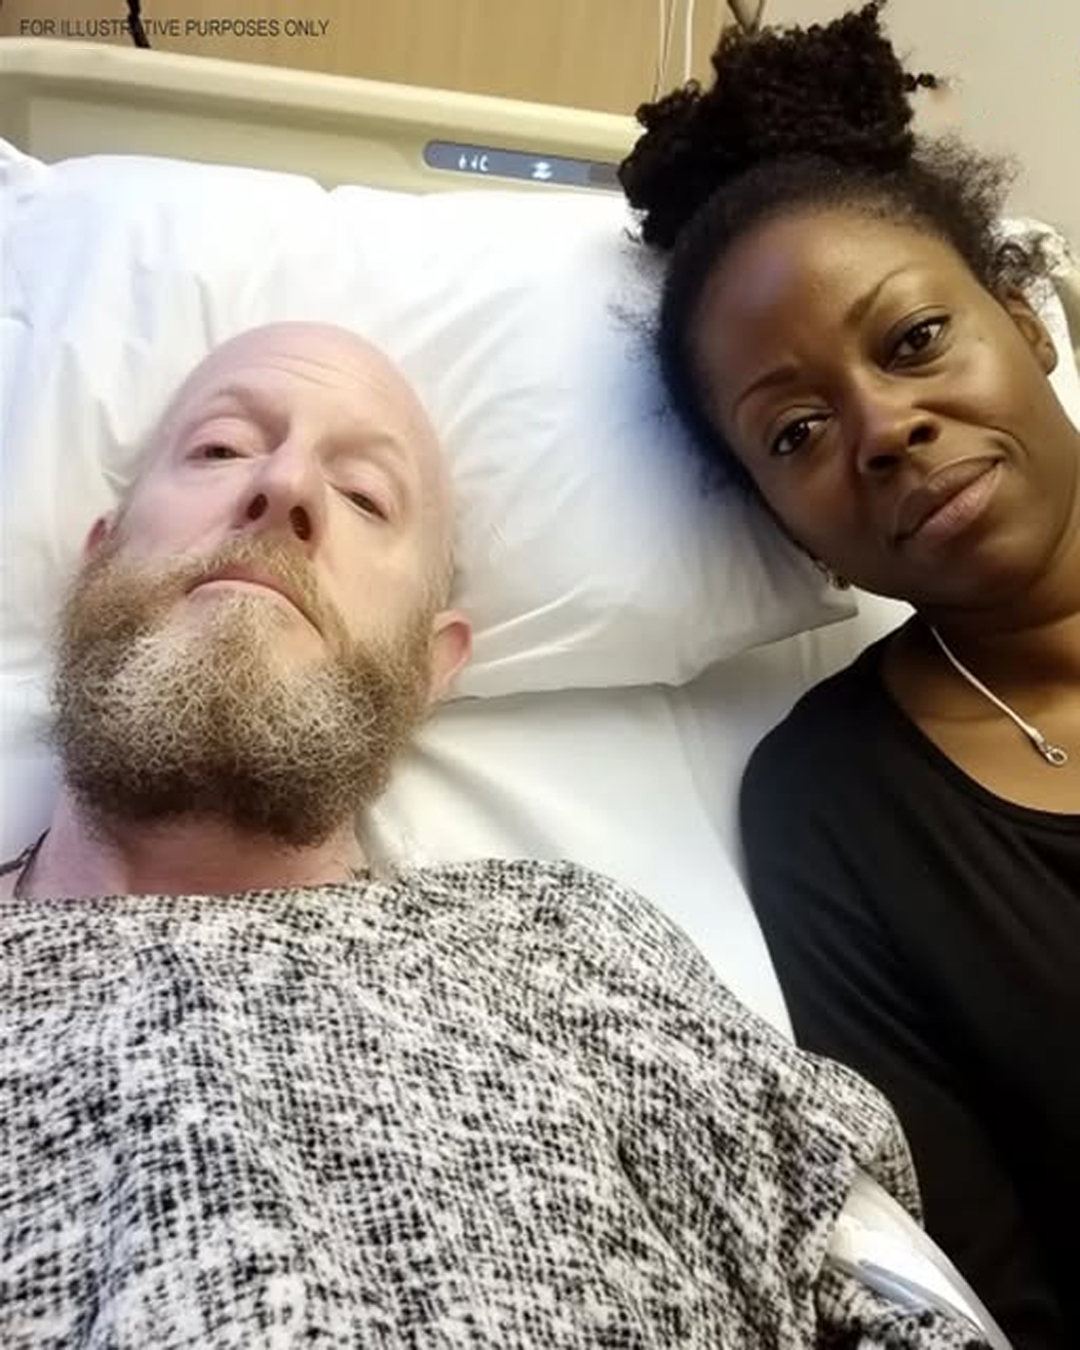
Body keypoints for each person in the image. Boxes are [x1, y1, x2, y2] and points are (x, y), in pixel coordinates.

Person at [1, 320, 997, 1349]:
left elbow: (897, 1303)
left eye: (366, 496)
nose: (285, 485)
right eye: (219, 449)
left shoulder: (564, 947)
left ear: (430, 668)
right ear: (96, 561)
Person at [618, 3, 1079, 1347]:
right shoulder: (837, 813)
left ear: (1025, 322)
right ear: (786, 525)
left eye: (916, 338)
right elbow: (991, 1294)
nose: (883, 428)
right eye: (797, 431)